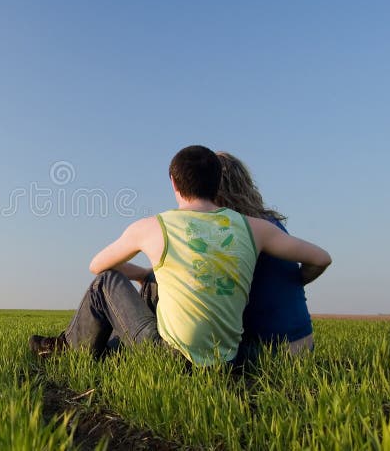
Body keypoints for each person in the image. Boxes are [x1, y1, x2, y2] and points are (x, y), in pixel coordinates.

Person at [29, 145, 331, 367]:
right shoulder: (258, 228)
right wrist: (297, 280)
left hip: (198, 358)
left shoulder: (155, 226)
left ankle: (69, 349)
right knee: (157, 282)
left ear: (174, 183)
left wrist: (137, 270)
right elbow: (322, 258)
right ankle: (107, 350)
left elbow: (97, 266)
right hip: (232, 359)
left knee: (105, 282)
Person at [215, 152, 314, 359]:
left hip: (268, 351)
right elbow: (319, 261)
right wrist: (294, 282)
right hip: (304, 343)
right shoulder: (269, 223)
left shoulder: (234, 229)